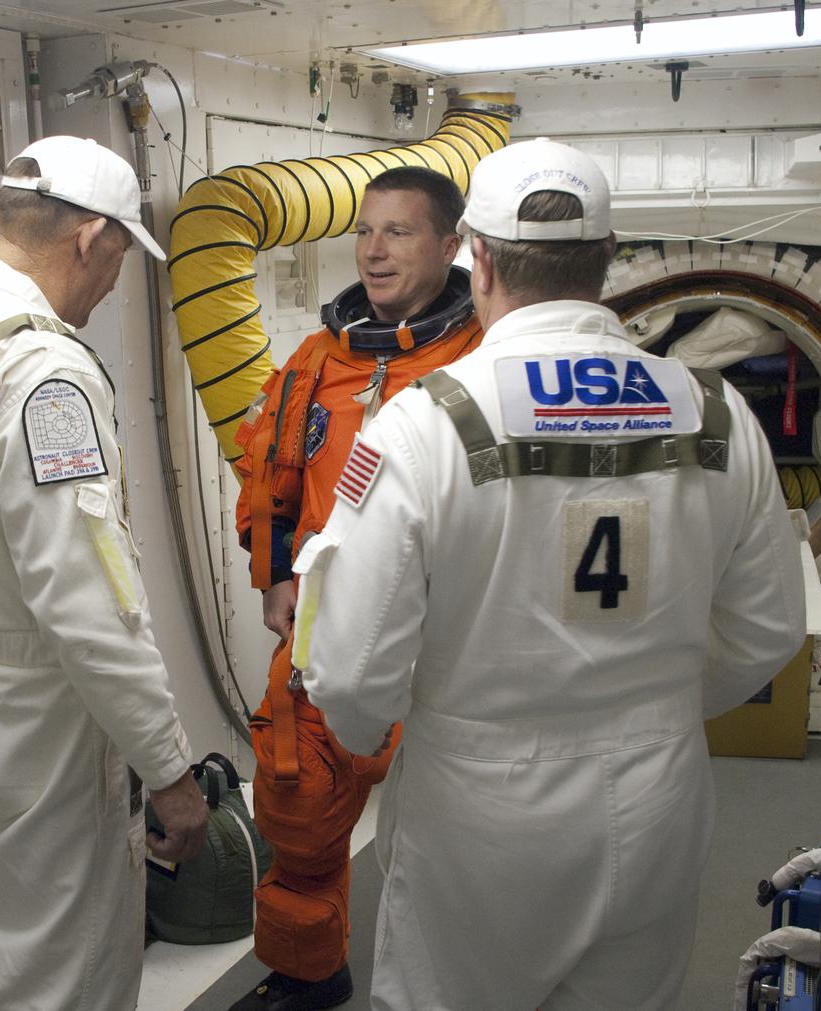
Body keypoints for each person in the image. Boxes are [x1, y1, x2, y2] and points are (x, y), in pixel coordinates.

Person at [292, 138, 808, 1009]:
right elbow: (768, 631)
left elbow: (349, 675)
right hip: (661, 796)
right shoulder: (718, 412)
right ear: (607, 259)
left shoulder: (425, 425)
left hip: (482, 808)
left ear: (477, 259)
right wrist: (654, 706)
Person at [0, 135, 207, 1011]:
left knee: (8, 960)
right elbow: (89, 602)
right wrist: (168, 768)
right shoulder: (43, 371)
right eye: (121, 256)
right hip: (45, 719)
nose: (111, 282)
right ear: (91, 238)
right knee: (73, 980)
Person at [231, 166, 483, 1011]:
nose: (374, 251)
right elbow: (268, 470)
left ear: (452, 247)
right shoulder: (317, 360)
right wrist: (273, 575)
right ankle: (310, 972)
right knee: (297, 804)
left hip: (458, 633)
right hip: (331, 624)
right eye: (366, 231)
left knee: (461, 826)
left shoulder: (483, 359)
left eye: (399, 232)